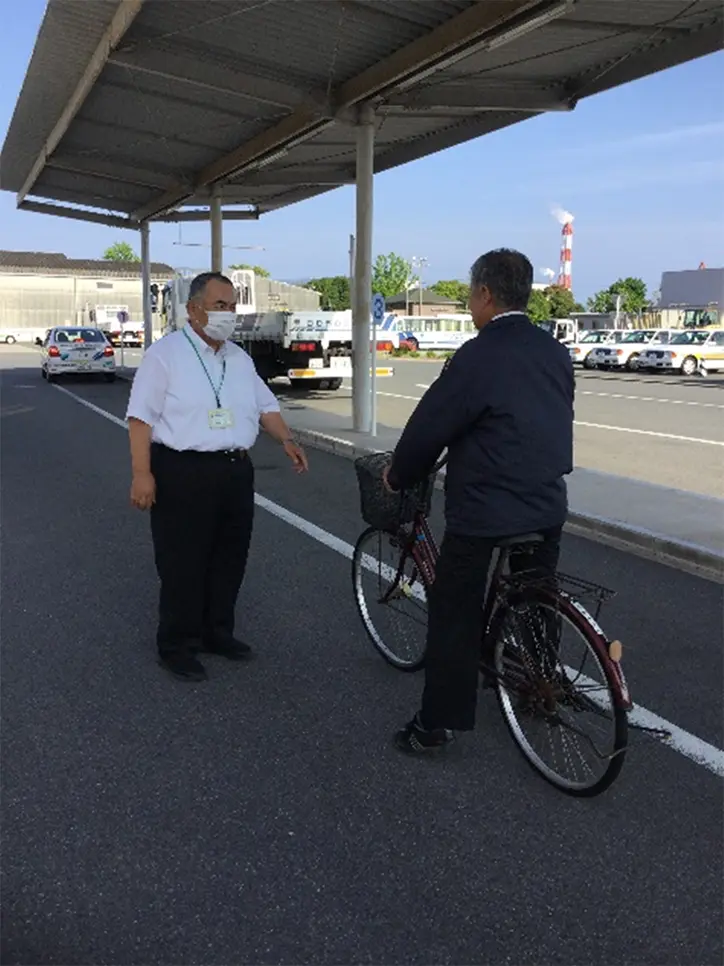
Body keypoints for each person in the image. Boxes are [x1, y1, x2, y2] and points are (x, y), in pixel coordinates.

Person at [383, 249, 574, 754]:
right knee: (538, 596)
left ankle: (435, 724)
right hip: (547, 500)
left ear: (485, 295)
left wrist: (400, 474)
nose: (470, 303)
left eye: (470, 294)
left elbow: (429, 428)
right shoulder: (553, 350)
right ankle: (537, 688)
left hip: (486, 507)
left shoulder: (477, 355)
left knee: (454, 609)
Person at [126, 271, 308, 682]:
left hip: (234, 470)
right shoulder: (165, 355)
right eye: (219, 305)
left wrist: (287, 439)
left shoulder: (238, 359)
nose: (228, 314)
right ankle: (177, 644)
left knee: (229, 557)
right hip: (181, 471)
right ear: (193, 310)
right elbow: (140, 419)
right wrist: (142, 474)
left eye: (232, 306)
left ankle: (217, 632)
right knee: (182, 562)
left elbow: (265, 407)